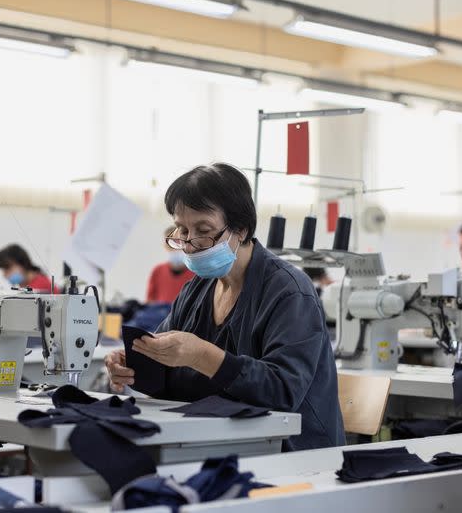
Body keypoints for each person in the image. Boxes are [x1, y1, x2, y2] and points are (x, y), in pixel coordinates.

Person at [105, 163, 344, 451]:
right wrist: (135, 365)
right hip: (222, 444)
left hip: (291, 455)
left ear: (240, 230)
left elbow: (282, 391)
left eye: (203, 231)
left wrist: (202, 355)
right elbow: (169, 372)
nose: (190, 245)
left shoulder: (290, 292)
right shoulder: (197, 290)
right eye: (182, 230)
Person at [146, 225, 195, 304]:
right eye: (170, 243)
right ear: (165, 246)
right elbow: (149, 301)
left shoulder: (196, 272)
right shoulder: (158, 271)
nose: (174, 248)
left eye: (178, 242)